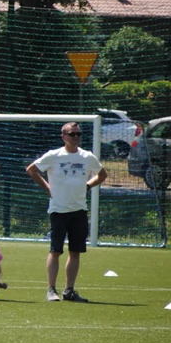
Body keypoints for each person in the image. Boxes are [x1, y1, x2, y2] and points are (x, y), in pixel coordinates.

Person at [26, 122, 107, 303]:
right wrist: (47, 187)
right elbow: (31, 170)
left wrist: (88, 185)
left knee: (75, 252)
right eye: (72, 134)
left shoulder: (87, 157)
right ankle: (51, 289)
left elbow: (102, 175)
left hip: (79, 210)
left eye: (78, 134)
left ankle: (69, 290)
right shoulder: (54, 156)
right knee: (55, 251)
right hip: (58, 210)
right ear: (64, 137)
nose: (76, 137)